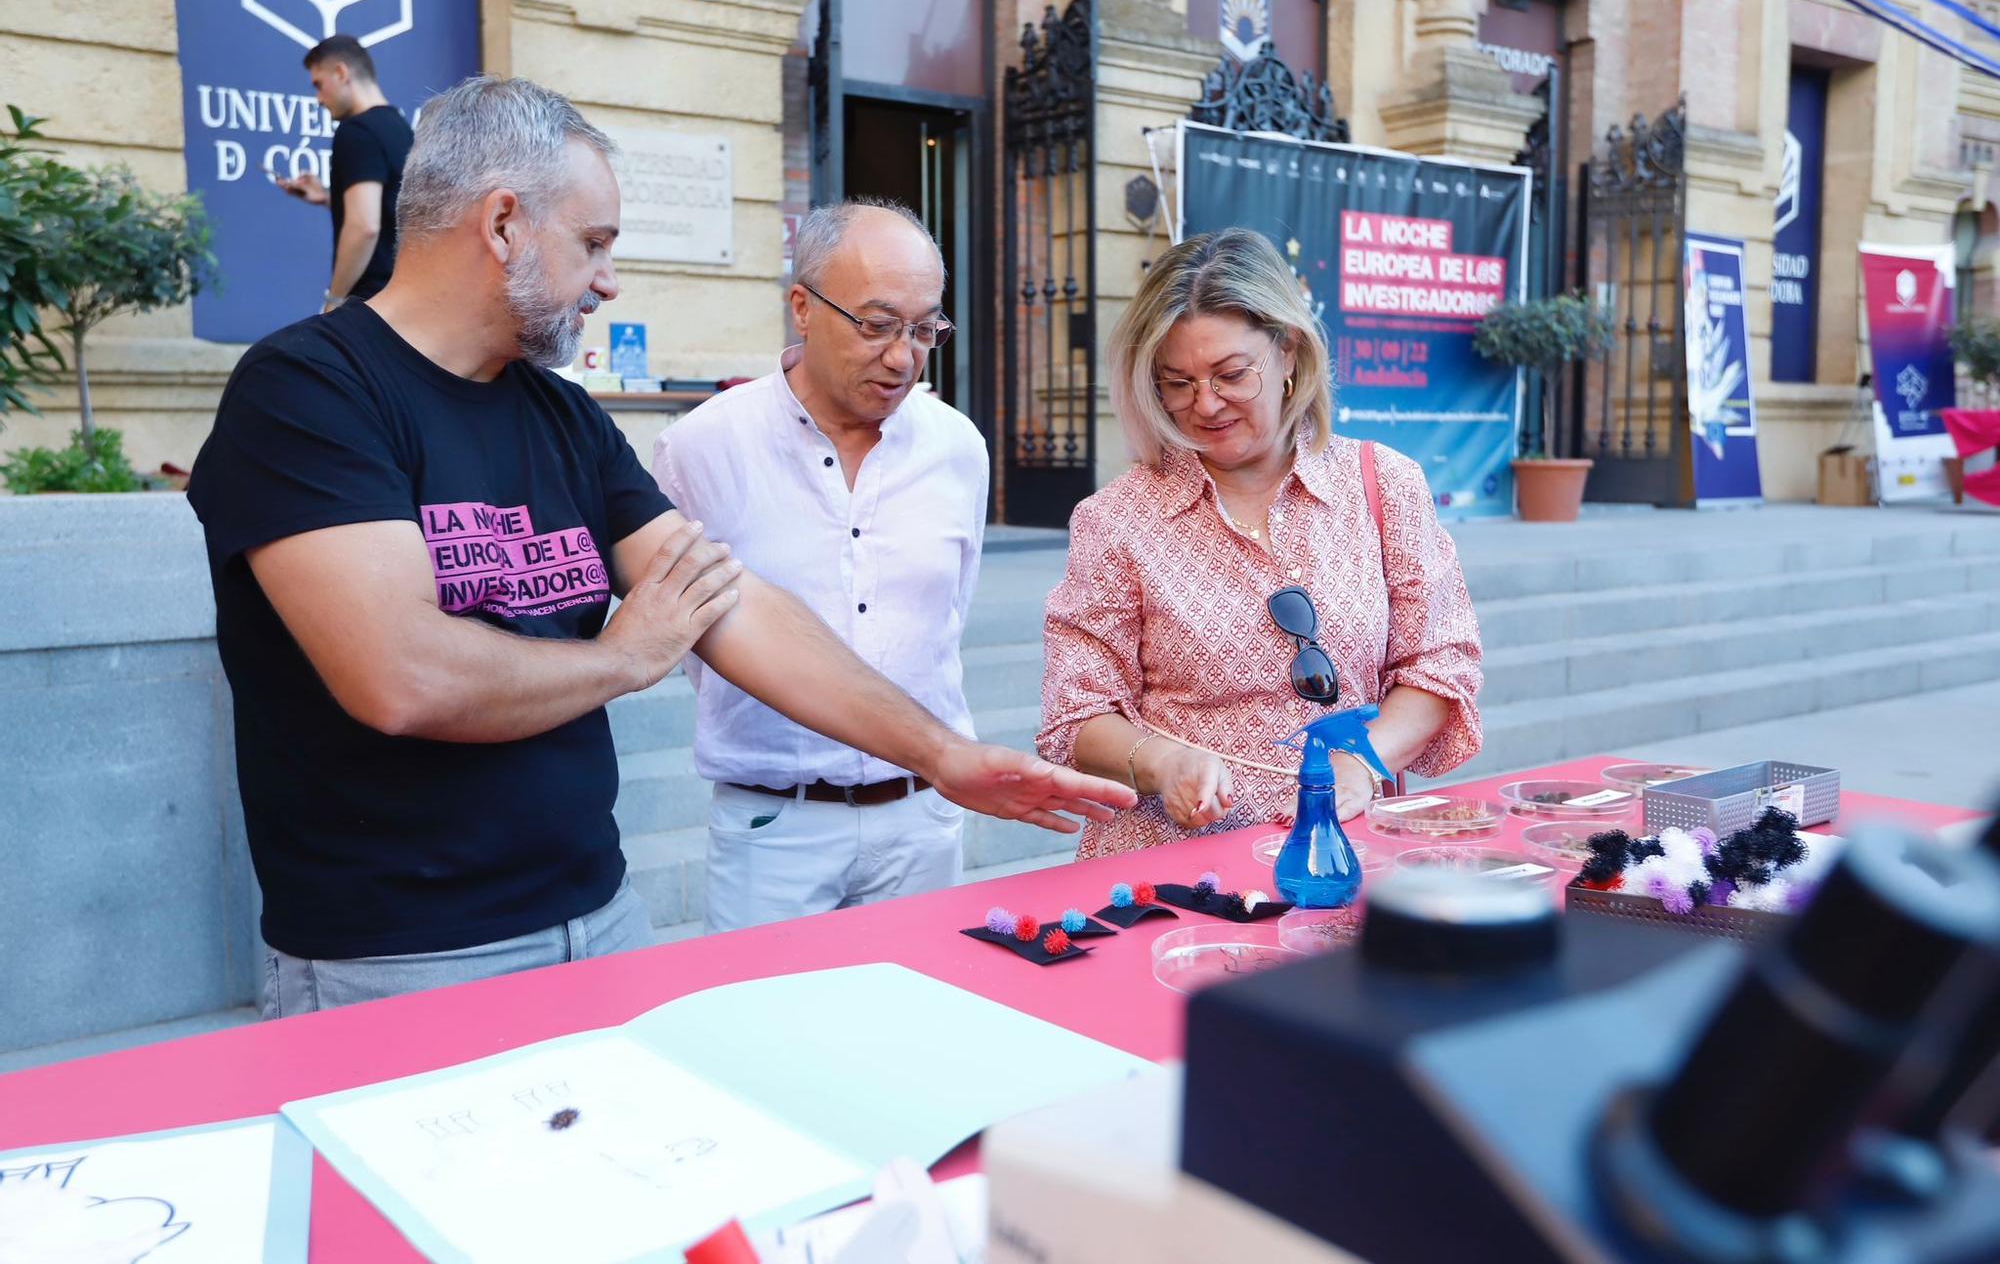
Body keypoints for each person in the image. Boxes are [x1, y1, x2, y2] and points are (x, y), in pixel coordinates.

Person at [187, 76, 1128, 1017]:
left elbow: (732, 604)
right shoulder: (308, 391)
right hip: (398, 955)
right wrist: (625, 656)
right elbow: (402, 675)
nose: (609, 278)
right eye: (594, 242)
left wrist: (940, 755)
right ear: (505, 223)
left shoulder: (560, 413)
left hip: (596, 917)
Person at [1037, 228, 1482, 858]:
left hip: (1342, 850)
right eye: (1177, 382)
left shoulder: (1384, 485)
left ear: (1290, 354)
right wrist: (1164, 763)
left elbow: (1442, 665)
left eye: (1230, 374)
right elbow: (1074, 714)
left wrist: (1364, 760)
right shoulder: (1117, 519)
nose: (1206, 404)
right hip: (1173, 866)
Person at [654, 199, 987, 933]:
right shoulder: (703, 448)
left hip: (921, 819)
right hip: (776, 824)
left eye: (924, 328)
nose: (903, 356)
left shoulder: (958, 448)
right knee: (764, 1040)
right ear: (802, 307)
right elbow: (697, 641)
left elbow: (947, 616)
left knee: (923, 1026)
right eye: (876, 325)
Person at [273, 34, 413, 309]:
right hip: (404, 300)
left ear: (340, 73)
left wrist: (335, 299)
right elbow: (389, 212)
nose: (318, 99)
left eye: (319, 84)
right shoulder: (402, 130)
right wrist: (328, 198)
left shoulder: (356, 131)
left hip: (369, 304)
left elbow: (365, 227)